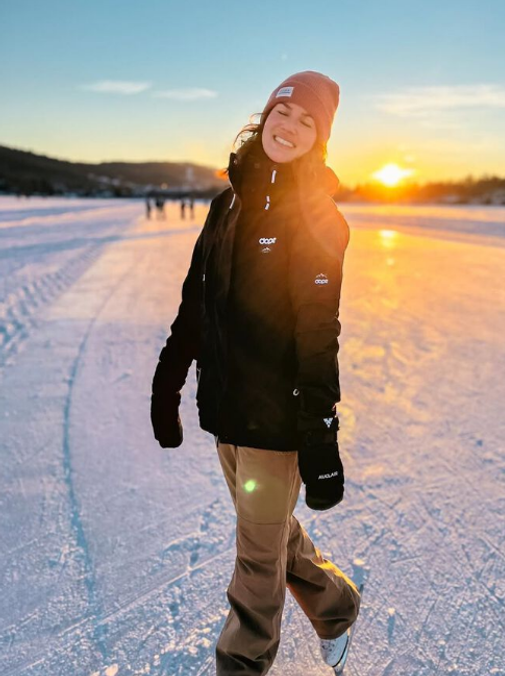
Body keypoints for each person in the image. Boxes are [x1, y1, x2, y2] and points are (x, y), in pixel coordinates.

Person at [150, 71, 359, 676]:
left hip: (277, 423)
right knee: (268, 532)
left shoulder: (318, 218)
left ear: (319, 140)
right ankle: (337, 605)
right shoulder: (227, 205)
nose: (289, 128)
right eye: (283, 112)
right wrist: (168, 387)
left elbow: (318, 338)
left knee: (254, 561)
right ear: (264, 116)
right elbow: (195, 306)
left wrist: (319, 441)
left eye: (307, 122)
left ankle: (241, 664)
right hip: (226, 413)